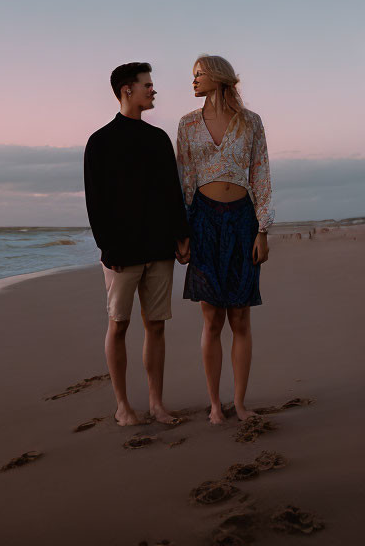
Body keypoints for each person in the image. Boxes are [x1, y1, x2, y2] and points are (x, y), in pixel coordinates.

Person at [84, 62, 191, 426]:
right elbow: (95, 201)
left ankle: (156, 403)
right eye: (148, 84)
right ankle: (123, 406)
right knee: (119, 324)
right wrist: (107, 247)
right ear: (126, 89)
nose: (153, 90)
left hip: (159, 248)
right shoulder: (100, 141)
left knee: (156, 325)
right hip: (121, 253)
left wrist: (181, 235)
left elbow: (171, 193)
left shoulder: (158, 139)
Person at [176, 54, 273, 424]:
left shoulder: (251, 123)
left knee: (241, 319)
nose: (194, 81)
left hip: (242, 221)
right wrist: (183, 233)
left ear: (218, 78)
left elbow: (261, 174)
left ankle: (241, 402)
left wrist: (263, 229)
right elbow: (185, 181)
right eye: (193, 75)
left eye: (199, 74)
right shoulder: (186, 124)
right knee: (212, 319)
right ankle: (215, 404)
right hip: (203, 222)